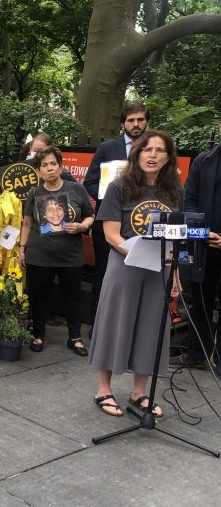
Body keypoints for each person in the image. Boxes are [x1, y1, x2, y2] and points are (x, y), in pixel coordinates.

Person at [88, 129, 183, 418]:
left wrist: (175, 273)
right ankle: (103, 389)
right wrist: (139, 254)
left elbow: (175, 236)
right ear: (137, 153)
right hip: (125, 266)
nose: (152, 155)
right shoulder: (118, 187)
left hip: (159, 270)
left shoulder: (174, 191)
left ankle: (139, 392)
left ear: (168, 157)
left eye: (159, 150)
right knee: (114, 324)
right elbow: (111, 235)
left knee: (151, 328)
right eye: (146, 149)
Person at [19, 146, 94, 355]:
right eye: (44, 165)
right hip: (39, 254)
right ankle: (38, 335)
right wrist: (22, 249)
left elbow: (90, 215)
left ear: (60, 167)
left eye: (53, 164)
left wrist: (82, 226)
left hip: (70, 255)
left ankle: (75, 337)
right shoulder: (34, 193)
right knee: (39, 295)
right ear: (38, 170)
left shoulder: (76, 189)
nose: (50, 168)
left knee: (73, 296)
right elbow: (26, 223)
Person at [83, 103, 150, 329]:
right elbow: (90, 182)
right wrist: (110, 197)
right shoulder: (107, 148)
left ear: (146, 122)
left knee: (140, 274)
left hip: (141, 223)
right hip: (109, 223)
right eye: (131, 120)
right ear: (123, 123)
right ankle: (97, 325)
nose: (136, 124)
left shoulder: (153, 150)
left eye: (140, 120)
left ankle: (132, 326)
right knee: (104, 274)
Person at [178, 137, 221, 371]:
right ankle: (195, 355)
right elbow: (190, 200)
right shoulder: (204, 161)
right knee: (200, 303)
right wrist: (204, 232)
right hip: (203, 244)